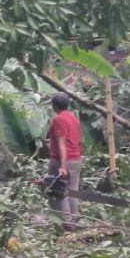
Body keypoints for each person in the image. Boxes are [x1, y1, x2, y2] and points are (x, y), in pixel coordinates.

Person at [47, 91, 83, 225]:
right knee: (73, 190)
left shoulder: (58, 119)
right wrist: (80, 156)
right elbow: (79, 140)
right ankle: (74, 221)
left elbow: (61, 144)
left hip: (61, 160)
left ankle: (67, 224)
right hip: (75, 159)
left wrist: (62, 166)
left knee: (58, 192)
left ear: (54, 105)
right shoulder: (74, 118)